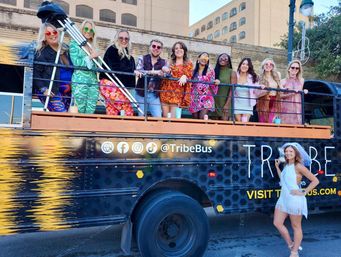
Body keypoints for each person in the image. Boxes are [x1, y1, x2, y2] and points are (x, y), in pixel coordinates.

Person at [274, 143, 319, 257]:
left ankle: (294, 252)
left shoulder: (298, 166)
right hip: (283, 198)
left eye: (291, 151)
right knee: (277, 223)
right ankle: (291, 244)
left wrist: (303, 191)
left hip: (295, 200)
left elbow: (315, 180)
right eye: (286, 151)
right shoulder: (286, 165)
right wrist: (277, 167)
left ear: (295, 154)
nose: (288, 153)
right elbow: (283, 180)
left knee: (296, 227)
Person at [33, 22, 73, 112]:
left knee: (71, 116)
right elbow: (36, 74)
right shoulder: (42, 53)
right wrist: (44, 89)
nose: (52, 35)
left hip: (69, 90)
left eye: (54, 32)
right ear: (44, 37)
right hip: (52, 90)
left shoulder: (66, 49)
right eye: (48, 33)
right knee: (62, 114)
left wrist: (71, 84)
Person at [99, 29, 136, 116]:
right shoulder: (112, 50)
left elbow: (130, 76)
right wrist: (133, 71)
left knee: (112, 111)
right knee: (128, 111)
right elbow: (115, 69)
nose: (124, 40)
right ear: (116, 39)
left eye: (126, 39)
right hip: (110, 84)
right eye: (121, 38)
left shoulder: (130, 57)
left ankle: (111, 129)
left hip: (121, 88)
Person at [69, 20, 100, 114]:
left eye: (91, 30)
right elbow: (76, 63)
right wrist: (90, 57)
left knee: (91, 110)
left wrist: (95, 58)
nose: (88, 31)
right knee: (80, 108)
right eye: (86, 28)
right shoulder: (74, 43)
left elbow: (96, 67)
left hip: (93, 81)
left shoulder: (93, 46)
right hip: (80, 80)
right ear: (82, 29)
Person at [134, 39, 167, 117]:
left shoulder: (164, 62)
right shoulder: (142, 58)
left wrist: (165, 72)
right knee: (141, 117)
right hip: (141, 93)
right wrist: (154, 72)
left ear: (161, 50)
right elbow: (139, 70)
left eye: (158, 47)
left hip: (154, 95)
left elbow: (166, 74)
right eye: (154, 46)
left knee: (158, 118)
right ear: (150, 47)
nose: (156, 48)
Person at [160, 41, 193, 118]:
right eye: (176, 48)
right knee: (165, 118)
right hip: (165, 93)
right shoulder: (169, 62)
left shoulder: (188, 64)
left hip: (177, 95)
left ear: (184, 51)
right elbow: (163, 73)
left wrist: (185, 76)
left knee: (173, 119)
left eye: (181, 48)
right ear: (174, 51)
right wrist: (163, 69)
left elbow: (189, 75)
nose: (178, 50)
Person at [189, 52, 216, 119]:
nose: (204, 58)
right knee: (195, 118)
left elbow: (213, 83)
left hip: (206, 97)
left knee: (202, 118)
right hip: (194, 97)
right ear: (198, 58)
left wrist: (217, 81)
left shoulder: (210, 70)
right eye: (202, 56)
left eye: (206, 57)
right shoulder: (193, 70)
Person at [280, 60, 307, 124]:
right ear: (289, 69)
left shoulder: (301, 80)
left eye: (297, 68)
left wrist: (304, 91)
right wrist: (291, 93)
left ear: (299, 70)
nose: (294, 69)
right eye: (292, 67)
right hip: (286, 108)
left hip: (298, 108)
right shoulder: (283, 81)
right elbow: (280, 96)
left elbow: (300, 93)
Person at [234, 57, 260, 122]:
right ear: (240, 65)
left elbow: (256, 88)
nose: (245, 66)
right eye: (243, 64)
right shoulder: (235, 75)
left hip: (248, 104)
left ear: (249, 67)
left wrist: (261, 86)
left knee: (244, 122)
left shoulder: (252, 77)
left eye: (247, 65)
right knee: (238, 121)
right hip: (237, 103)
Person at [212, 53, 237, 120]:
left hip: (225, 102)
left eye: (225, 58)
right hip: (214, 102)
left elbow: (232, 89)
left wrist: (227, 104)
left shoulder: (232, 72)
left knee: (224, 125)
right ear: (218, 60)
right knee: (213, 126)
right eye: (221, 58)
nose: (223, 59)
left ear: (228, 61)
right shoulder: (214, 71)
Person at [257, 58, 282, 123]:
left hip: (275, 100)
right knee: (263, 121)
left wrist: (286, 89)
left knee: (270, 120)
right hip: (264, 100)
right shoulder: (259, 76)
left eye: (271, 64)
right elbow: (257, 92)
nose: (268, 65)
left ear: (273, 66)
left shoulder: (277, 75)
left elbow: (280, 86)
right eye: (266, 64)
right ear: (263, 66)